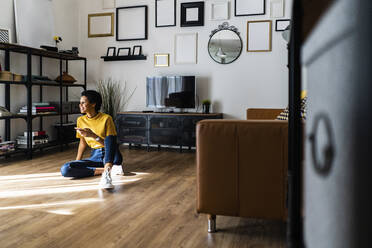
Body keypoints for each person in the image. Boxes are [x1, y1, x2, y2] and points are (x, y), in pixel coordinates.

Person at [60, 90, 122, 189]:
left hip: (111, 153)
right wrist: (77, 162)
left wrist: (93, 135)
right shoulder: (80, 120)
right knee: (65, 169)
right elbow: (82, 143)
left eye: (83, 103)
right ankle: (106, 170)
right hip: (96, 156)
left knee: (110, 138)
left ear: (93, 104)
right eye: (80, 103)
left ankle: (107, 173)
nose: (80, 105)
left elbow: (110, 143)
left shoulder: (106, 118)